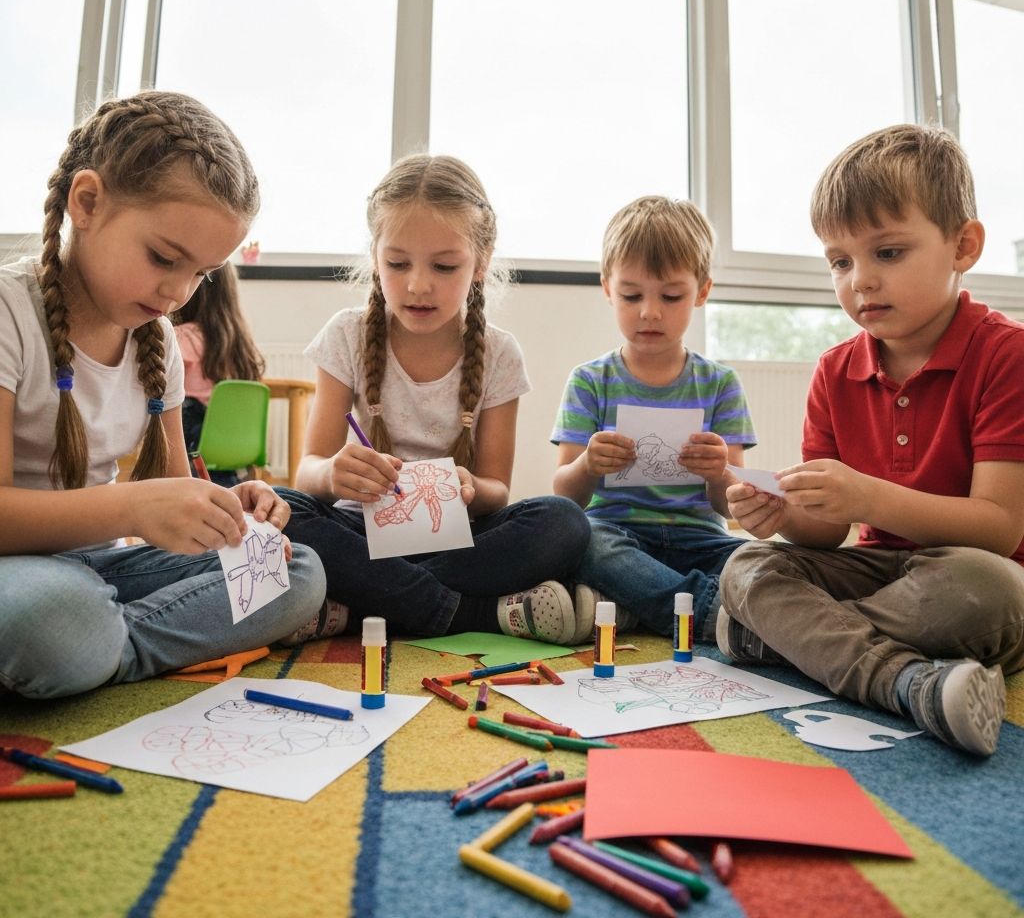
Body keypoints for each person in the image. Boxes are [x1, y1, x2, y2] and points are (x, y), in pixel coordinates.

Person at [0, 91, 326, 699]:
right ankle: (95, 645)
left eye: (201, 273)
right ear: (88, 202)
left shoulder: (159, 342)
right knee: (54, 615)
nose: (179, 292)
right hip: (20, 576)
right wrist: (131, 507)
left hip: (95, 572)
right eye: (163, 258)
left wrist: (228, 509)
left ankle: (103, 652)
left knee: (297, 571)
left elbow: (175, 497)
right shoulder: (9, 314)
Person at [717, 124, 1024, 756]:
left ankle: (783, 641)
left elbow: (999, 530)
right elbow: (826, 535)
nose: (860, 280)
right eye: (840, 261)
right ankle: (910, 683)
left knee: (983, 593)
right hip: (879, 573)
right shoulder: (834, 369)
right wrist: (780, 515)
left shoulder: (1007, 356)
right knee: (746, 567)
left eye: (887, 253)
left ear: (963, 245)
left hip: (973, 573)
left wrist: (867, 500)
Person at [279, 154, 590, 645]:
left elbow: (497, 491)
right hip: (359, 534)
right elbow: (307, 474)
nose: (417, 284)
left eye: (444, 266)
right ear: (375, 256)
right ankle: (473, 614)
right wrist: (333, 472)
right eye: (397, 263)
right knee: (282, 509)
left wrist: (470, 486)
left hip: (458, 542)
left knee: (564, 523)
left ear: (481, 262)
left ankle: (362, 606)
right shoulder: (346, 335)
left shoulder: (499, 353)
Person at [552, 196, 756, 642]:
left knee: (763, 560)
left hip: (702, 539)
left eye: (670, 295)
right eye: (631, 295)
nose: (649, 311)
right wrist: (589, 463)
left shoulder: (721, 383)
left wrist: (720, 471)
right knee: (584, 542)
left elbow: (731, 505)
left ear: (702, 291)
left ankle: (636, 603)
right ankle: (709, 614)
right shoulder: (589, 381)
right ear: (608, 288)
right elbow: (566, 497)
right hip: (617, 534)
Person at [172, 261, 265, 486]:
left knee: (175, 406)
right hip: (232, 467)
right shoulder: (241, 345)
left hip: (191, 461)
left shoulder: (181, 338)